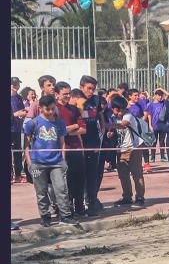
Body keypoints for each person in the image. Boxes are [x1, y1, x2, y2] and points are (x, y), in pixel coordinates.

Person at [22, 95, 77, 227]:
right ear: (40, 108)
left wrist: (63, 160)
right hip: (37, 163)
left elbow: (62, 143)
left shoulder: (59, 123)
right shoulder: (32, 123)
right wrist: (30, 163)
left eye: (53, 109)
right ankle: (45, 216)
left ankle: (65, 215)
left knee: (61, 189)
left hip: (56, 162)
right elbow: (26, 146)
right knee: (41, 191)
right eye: (47, 109)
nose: (50, 112)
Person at [54, 82, 87, 217]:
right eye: (64, 94)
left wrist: (68, 130)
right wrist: (73, 127)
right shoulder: (53, 109)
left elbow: (83, 129)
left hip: (76, 149)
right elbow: (55, 131)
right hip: (61, 151)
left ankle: (79, 207)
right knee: (65, 182)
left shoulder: (74, 109)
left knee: (79, 179)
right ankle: (66, 210)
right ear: (57, 95)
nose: (67, 96)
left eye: (69, 93)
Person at [108, 95, 145, 208]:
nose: (120, 113)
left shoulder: (128, 115)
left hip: (133, 148)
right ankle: (127, 197)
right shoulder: (112, 117)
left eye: (122, 110)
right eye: (117, 110)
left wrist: (106, 126)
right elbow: (115, 130)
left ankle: (139, 197)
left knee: (136, 173)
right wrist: (110, 132)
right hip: (120, 149)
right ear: (113, 108)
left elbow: (123, 125)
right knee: (123, 175)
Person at [77, 76, 106, 216]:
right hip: (78, 140)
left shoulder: (96, 99)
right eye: (88, 88)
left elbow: (100, 115)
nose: (91, 91)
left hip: (93, 140)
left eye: (93, 89)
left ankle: (92, 201)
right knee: (78, 173)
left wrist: (103, 125)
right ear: (81, 87)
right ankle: (78, 204)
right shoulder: (76, 98)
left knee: (93, 173)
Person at [11, 77, 28, 184]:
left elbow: (22, 110)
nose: (16, 87)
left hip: (17, 128)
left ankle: (18, 174)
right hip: (10, 129)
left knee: (18, 152)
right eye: (14, 85)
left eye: (17, 84)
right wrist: (14, 115)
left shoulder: (18, 97)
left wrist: (24, 112)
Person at [147, 89, 168, 162]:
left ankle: (163, 157)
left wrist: (160, 88)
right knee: (154, 142)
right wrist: (150, 125)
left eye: (161, 95)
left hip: (162, 126)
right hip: (154, 126)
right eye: (158, 95)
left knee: (162, 141)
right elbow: (149, 115)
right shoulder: (151, 105)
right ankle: (152, 157)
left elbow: (168, 94)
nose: (160, 97)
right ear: (155, 95)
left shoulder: (163, 103)